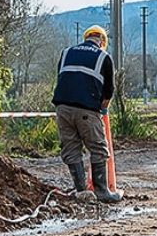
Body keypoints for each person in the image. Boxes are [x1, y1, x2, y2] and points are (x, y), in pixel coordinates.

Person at [52, 25, 122, 203]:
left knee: (71, 148)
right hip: (87, 109)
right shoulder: (104, 57)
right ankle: (102, 191)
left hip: (62, 108)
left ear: (86, 38)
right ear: (102, 42)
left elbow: (63, 78)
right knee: (98, 148)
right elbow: (108, 92)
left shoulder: (66, 52)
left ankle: (81, 191)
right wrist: (103, 110)